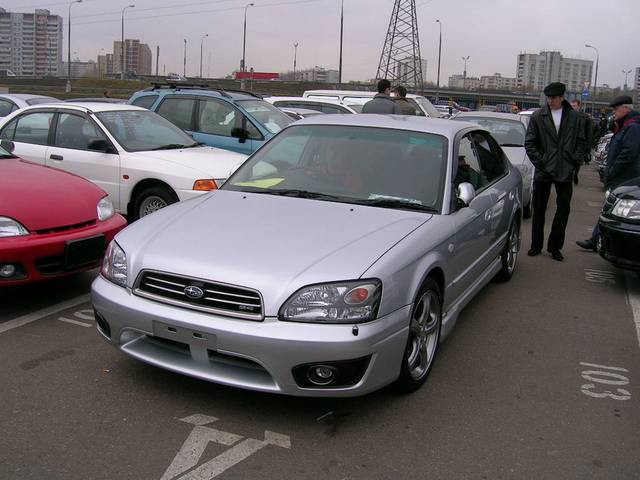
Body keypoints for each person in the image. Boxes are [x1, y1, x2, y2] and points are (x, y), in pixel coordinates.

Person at [524, 82, 588, 261]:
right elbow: (529, 142)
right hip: (544, 169)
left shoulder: (574, 117)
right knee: (539, 209)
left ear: (562, 97)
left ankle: (555, 247)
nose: (550, 101)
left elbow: (582, 142)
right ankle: (536, 245)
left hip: (565, 169)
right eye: (548, 98)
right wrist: (541, 161)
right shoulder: (538, 116)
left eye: (553, 98)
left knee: (563, 210)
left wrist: (575, 160)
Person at [576, 95, 640, 251]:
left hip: (624, 177)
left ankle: (600, 241)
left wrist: (612, 171)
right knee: (608, 208)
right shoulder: (625, 125)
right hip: (620, 176)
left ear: (626, 108)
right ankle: (596, 240)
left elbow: (628, 153)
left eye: (616, 109)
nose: (614, 113)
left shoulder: (632, 127)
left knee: (611, 210)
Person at [570, 98, 593, 184]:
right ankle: (571, 173)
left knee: (577, 160)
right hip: (570, 141)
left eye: (574, 106)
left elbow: (589, 132)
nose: (573, 108)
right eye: (571, 106)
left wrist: (588, 145)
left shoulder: (585, 117)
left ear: (579, 106)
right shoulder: (568, 116)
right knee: (570, 158)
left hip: (581, 142)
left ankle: (575, 173)